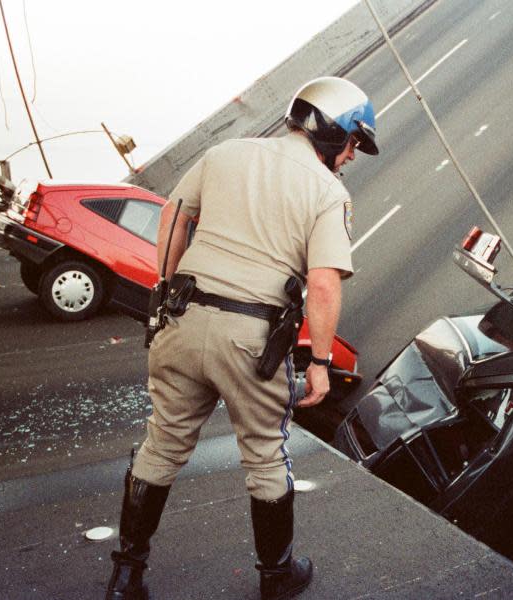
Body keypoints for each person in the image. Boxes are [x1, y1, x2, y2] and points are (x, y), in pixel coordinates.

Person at [104, 76, 379, 600]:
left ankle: (127, 574)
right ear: (331, 132)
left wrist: (165, 294)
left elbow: (172, 218)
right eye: (351, 143)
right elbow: (323, 282)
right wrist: (320, 362)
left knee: (161, 445)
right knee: (265, 455)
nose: (350, 157)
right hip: (251, 339)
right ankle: (276, 577)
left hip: (183, 319)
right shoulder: (328, 192)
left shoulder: (225, 152)